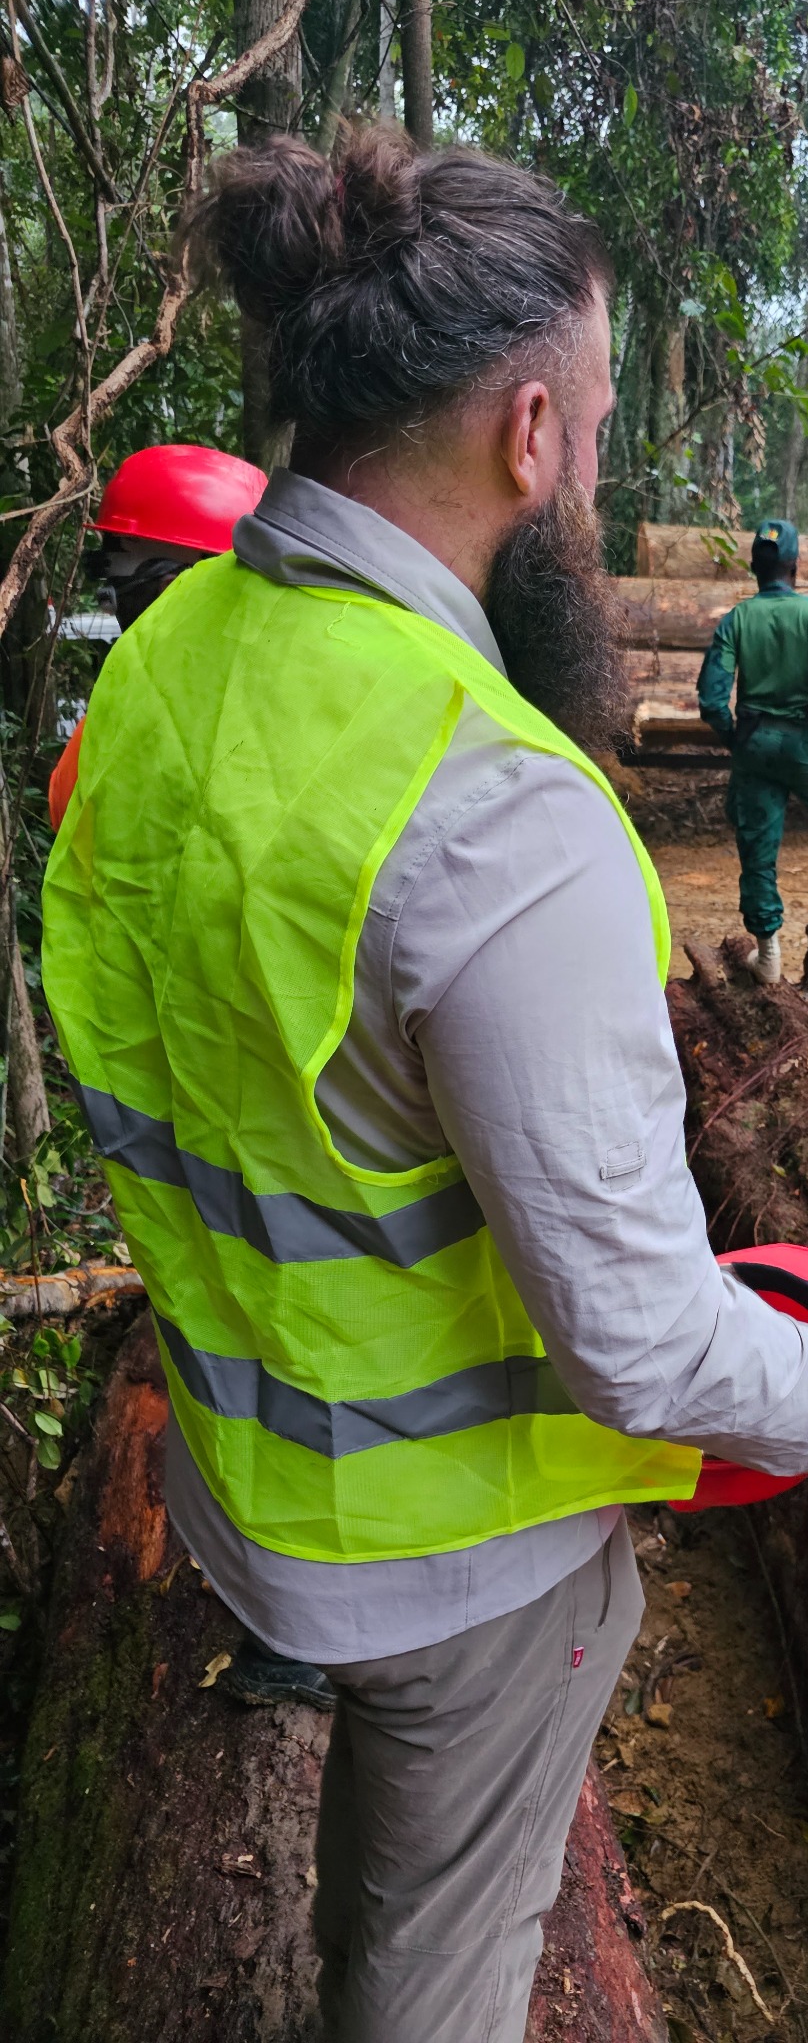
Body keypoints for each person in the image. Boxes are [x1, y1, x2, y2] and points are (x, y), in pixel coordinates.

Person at [42, 127, 808, 2043]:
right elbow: (636, 1345)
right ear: (528, 436)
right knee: (433, 1983)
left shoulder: (167, 656)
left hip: (240, 1474)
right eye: (602, 421)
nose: (601, 468)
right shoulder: (497, 808)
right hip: (453, 1568)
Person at [50, 445, 335, 1718]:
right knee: (292, 1354)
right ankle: (306, 1621)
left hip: (190, 1113)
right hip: (265, 1110)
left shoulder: (120, 722)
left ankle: (297, 1613)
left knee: (247, 1346)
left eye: (127, 579)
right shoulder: (287, 707)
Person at [49, 444, 269, 828]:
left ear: (173, 585)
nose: (111, 601)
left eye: (115, 572)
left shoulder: (135, 698)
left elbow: (64, 804)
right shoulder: (286, 684)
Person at [697, 518, 808, 983]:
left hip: (756, 747)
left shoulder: (737, 621)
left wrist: (736, 740)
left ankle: (768, 957)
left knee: (757, 850)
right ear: (795, 565)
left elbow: (710, 699)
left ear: (754, 567)